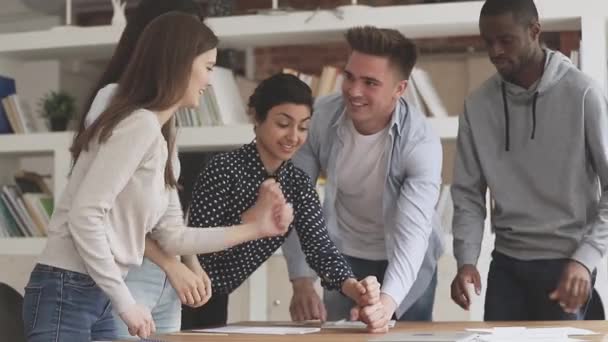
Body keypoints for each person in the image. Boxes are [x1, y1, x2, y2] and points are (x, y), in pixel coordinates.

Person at [22, 13, 293, 341]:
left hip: (98, 290)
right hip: (68, 286)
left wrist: (256, 228)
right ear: (180, 64)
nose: (209, 81)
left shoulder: (160, 136)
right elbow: (85, 215)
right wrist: (126, 303)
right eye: (207, 67)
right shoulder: (138, 124)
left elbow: (173, 237)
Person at [181, 72, 383, 332]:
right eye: (283, 123)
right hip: (180, 290)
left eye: (303, 127)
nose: (293, 136)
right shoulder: (223, 168)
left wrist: (352, 286)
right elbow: (197, 249)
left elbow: (320, 249)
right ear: (257, 118)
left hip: (216, 295)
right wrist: (252, 219)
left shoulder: (297, 184)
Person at [450, 0, 608, 321]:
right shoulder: (478, 105)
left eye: (505, 40)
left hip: (567, 261)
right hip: (506, 264)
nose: (495, 51)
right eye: (487, 41)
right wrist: (466, 260)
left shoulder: (583, 94)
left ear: (534, 31)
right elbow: (468, 194)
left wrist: (585, 258)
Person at [282, 26, 444, 329]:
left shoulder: (421, 143)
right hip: (343, 256)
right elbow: (297, 201)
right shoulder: (319, 119)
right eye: (349, 77)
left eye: (370, 82)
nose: (354, 91)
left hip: (408, 258)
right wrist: (302, 279)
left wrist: (386, 303)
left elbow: (413, 235)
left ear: (399, 89)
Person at [78, 0, 218, 339]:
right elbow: (109, 212)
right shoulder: (113, 101)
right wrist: (172, 264)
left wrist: (190, 264)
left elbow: (165, 204)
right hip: (130, 277)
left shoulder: (167, 114)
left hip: (165, 281)